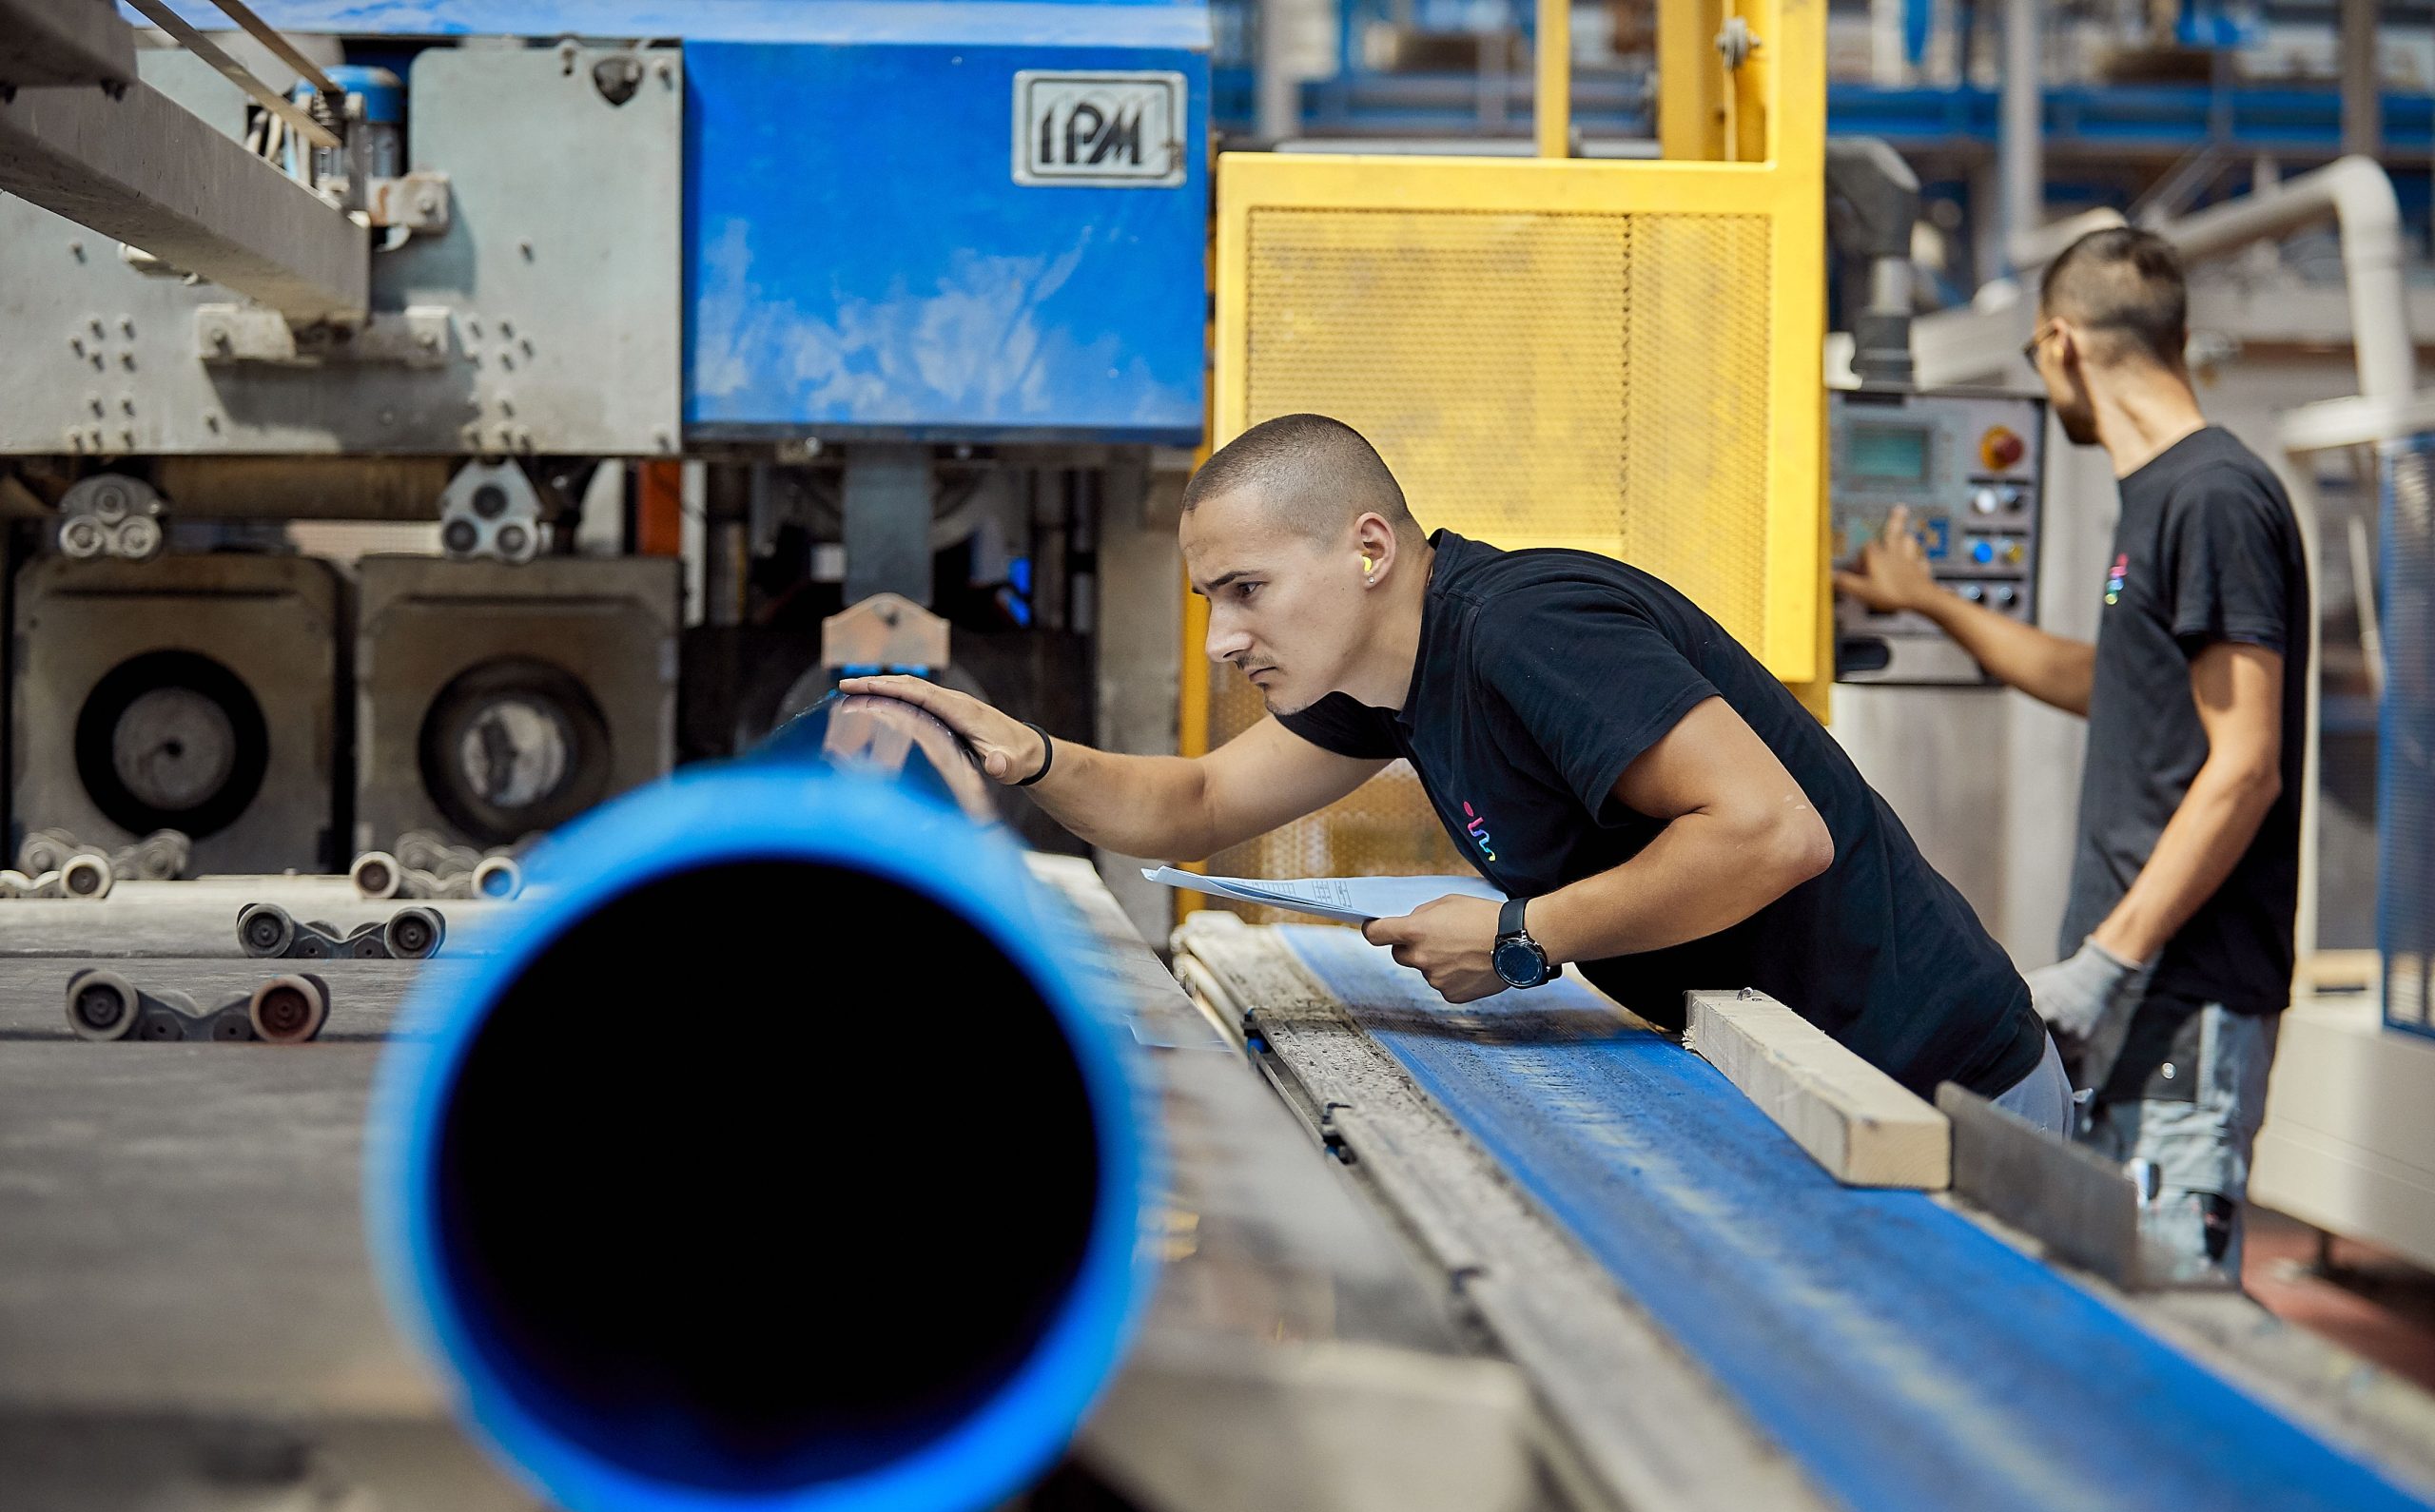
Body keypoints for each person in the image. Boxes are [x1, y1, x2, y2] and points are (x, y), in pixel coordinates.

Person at [847, 413, 2068, 1126]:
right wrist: (1030, 755)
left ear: (1368, 548)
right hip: (1793, 1079)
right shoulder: (1392, 683)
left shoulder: (1526, 627)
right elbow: (1199, 805)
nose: (1223, 638)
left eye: (1246, 592)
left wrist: (1524, 935)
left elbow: (1768, 833)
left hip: (1935, 1095)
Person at [1836, 227, 2306, 1274]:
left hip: (2180, 998)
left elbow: (2245, 763)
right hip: (2140, 991)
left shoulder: (2212, 497)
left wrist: (2105, 962)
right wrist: (1930, 603)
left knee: (2174, 1296)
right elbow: (2114, 687)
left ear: (2058, 342)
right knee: (2108, 1280)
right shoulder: (2161, 498)